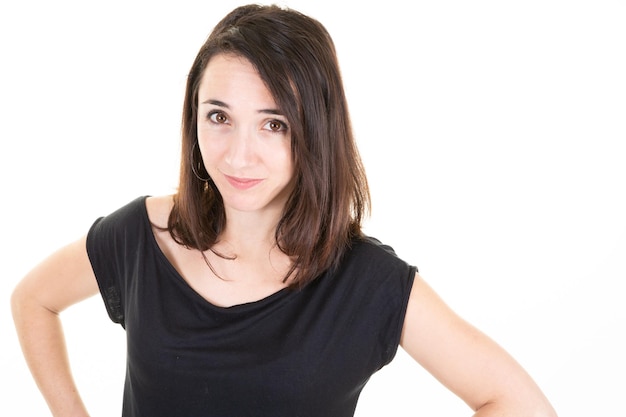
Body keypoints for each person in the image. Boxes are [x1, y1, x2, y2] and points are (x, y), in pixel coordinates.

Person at [11, 4, 558, 417]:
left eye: (274, 124)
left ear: (314, 134)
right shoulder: (141, 236)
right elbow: (32, 300)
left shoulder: (367, 283)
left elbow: (513, 400)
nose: (238, 154)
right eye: (219, 117)